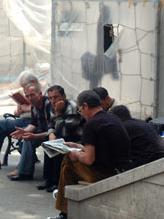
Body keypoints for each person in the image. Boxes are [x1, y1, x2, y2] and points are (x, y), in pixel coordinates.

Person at [48, 90, 131, 219]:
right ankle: (64, 197)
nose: (81, 114)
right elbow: (101, 149)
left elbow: (88, 159)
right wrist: (78, 146)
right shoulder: (112, 117)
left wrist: (76, 154)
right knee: (71, 159)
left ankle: (64, 211)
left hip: (104, 175)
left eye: (80, 110)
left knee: (68, 161)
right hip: (121, 170)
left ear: (85, 106)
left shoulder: (91, 124)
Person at [0, 71, 39, 170]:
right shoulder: (26, 92)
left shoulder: (44, 92)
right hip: (21, 120)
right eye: (23, 87)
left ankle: (24, 165)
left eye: (25, 86)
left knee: (23, 133)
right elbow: (16, 112)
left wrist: (27, 108)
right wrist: (18, 111)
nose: (24, 89)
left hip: (34, 123)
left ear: (32, 81)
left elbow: (44, 110)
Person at [37, 85, 80, 193]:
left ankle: (57, 182)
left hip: (76, 137)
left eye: (56, 97)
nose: (53, 100)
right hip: (62, 135)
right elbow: (51, 124)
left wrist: (59, 114)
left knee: (58, 147)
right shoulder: (52, 106)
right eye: (50, 98)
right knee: (48, 144)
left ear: (64, 96)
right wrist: (51, 134)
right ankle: (49, 180)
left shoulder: (72, 106)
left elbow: (69, 127)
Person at [9, 82, 54, 181]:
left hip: (53, 134)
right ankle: (25, 173)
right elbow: (34, 124)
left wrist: (34, 136)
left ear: (40, 94)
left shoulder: (49, 104)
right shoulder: (34, 106)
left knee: (30, 138)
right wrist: (24, 131)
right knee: (26, 138)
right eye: (27, 96)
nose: (30, 98)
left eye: (32, 95)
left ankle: (24, 170)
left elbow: (53, 130)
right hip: (44, 132)